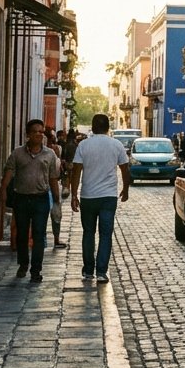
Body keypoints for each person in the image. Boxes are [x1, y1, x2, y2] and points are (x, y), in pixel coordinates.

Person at [69, 113, 130, 284]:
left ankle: (88, 270)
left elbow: (76, 171)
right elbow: (125, 169)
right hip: (108, 197)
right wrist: (125, 189)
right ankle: (102, 271)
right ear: (108, 127)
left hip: (88, 196)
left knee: (88, 233)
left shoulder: (83, 145)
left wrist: (74, 195)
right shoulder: (116, 145)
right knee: (105, 234)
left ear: (93, 127)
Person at [0, 118, 59, 282]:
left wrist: (56, 201)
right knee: (22, 234)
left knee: (39, 235)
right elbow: (9, 173)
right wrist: (3, 190)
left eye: (41, 132)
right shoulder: (18, 153)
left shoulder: (50, 154)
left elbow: (53, 178)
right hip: (22, 199)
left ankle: (36, 270)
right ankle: (23, 263)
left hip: (41, 200)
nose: (39, 135)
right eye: (35, 132)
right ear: (28, 134)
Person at [43, 128, 66, 248]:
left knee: (56, 215)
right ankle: (42, 239)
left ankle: (56, 238)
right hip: (44, 187)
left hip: (54, 185)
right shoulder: (42, 153)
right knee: (41, 216)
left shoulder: (56, 150)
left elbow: (58, 169)